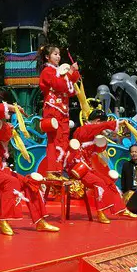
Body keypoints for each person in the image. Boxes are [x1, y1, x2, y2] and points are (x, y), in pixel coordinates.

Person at [0, 116, 60, 236]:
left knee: (30, 182)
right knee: (11, 181)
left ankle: (40, 221)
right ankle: (4, 220)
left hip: (0, 169)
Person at [65, 110, 137, 223]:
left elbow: (97, 150)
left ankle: (121, 209)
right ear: (98, 121)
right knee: (99, 183)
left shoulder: (93, 135)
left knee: (109, 182)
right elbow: (97, 129)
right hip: (77, 168)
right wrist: (115, 123)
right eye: (101, 125)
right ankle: (100, 213)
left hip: (87, 168)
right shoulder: (83, 130)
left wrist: (102, 142)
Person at [38, 44, 80, 176]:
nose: (58, 57)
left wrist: (73, 74)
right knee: (54, 140)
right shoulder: (47, 71)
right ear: (47, 57)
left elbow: (71, 90)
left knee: (63, 139)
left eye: (59, 54)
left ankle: (59, 169)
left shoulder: (58, 71)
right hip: (53, 109)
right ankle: (53, 170)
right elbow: (60, 85)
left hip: (63, 110)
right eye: (55, 54)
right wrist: (70, 73)